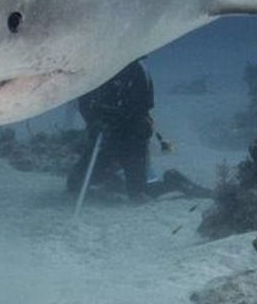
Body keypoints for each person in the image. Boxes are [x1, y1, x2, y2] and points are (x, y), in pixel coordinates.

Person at [66, 59, 212, 202]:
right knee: (75, 183)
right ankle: (115, 179)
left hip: (131, 139)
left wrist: (111, 118)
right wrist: (93, 121)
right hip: (104, 138)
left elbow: (143, 105)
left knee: (137, 193)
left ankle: (174, 181)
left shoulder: (136, 69)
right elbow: (84, 99)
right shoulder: (97, 67)